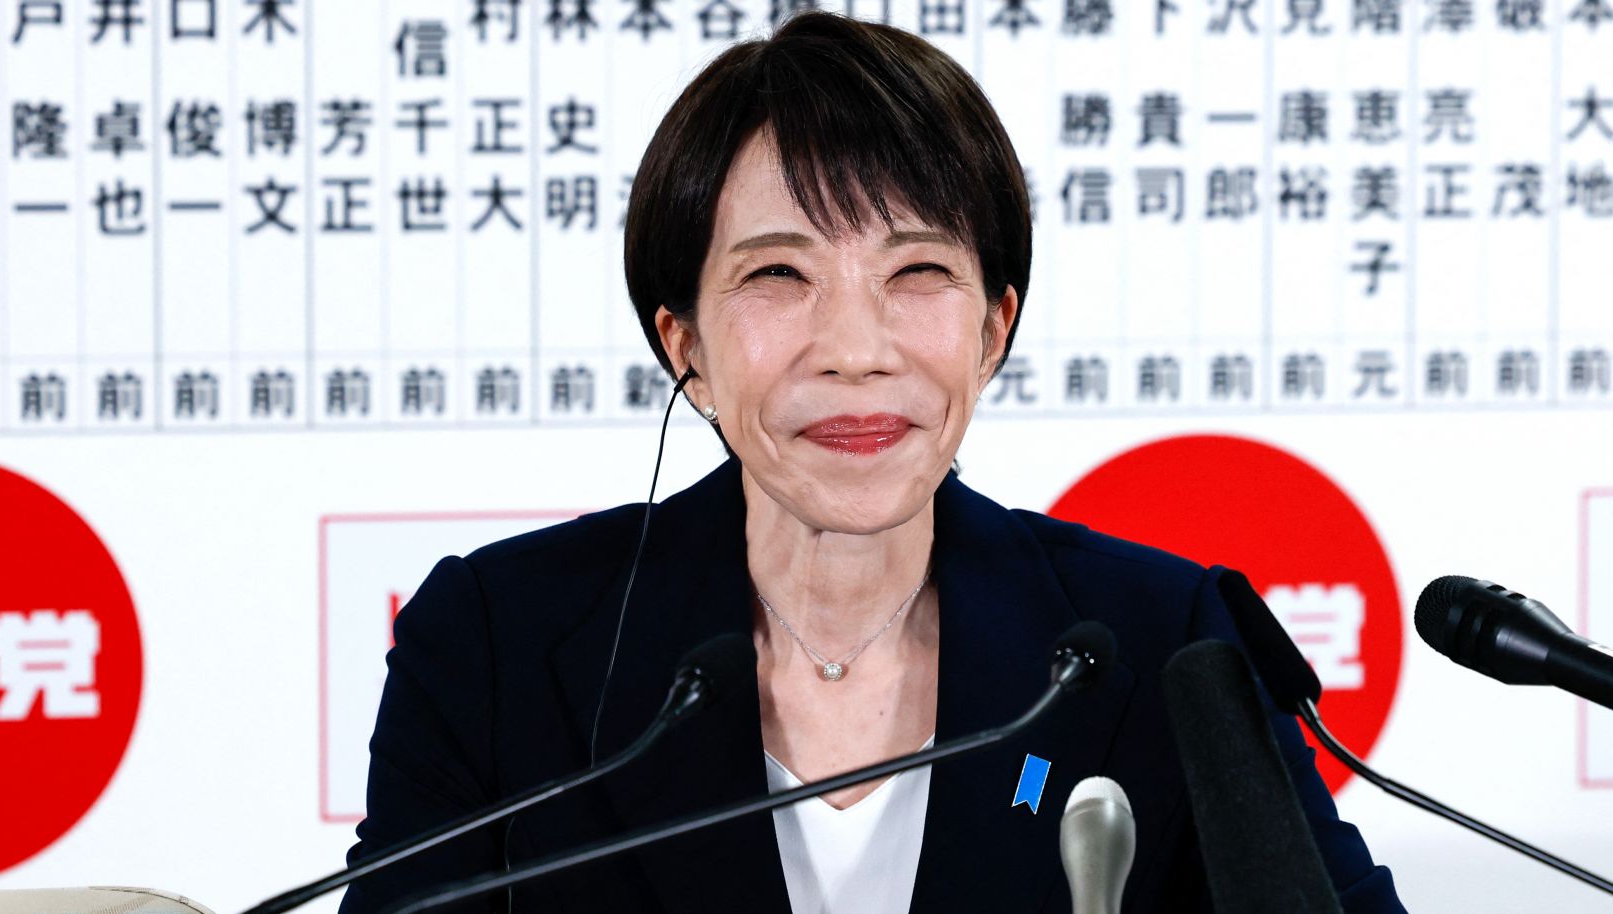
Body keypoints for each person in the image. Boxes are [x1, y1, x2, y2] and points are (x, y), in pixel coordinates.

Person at [338, 10, 1404, 913]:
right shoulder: (493, 647)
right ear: (686, 344)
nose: (856, 348)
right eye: (779, 273)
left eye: (918, 269)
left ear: (993, 331)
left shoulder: (1161, 644)